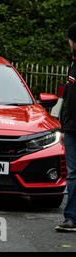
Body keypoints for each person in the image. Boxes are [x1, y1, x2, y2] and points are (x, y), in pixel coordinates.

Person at [56, 22, 76, 232]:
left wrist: (64, 127)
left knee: (73, 174)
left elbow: (72, 101)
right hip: (70, 127)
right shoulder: (73, 63)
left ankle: (72, 218)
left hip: (72, 128)